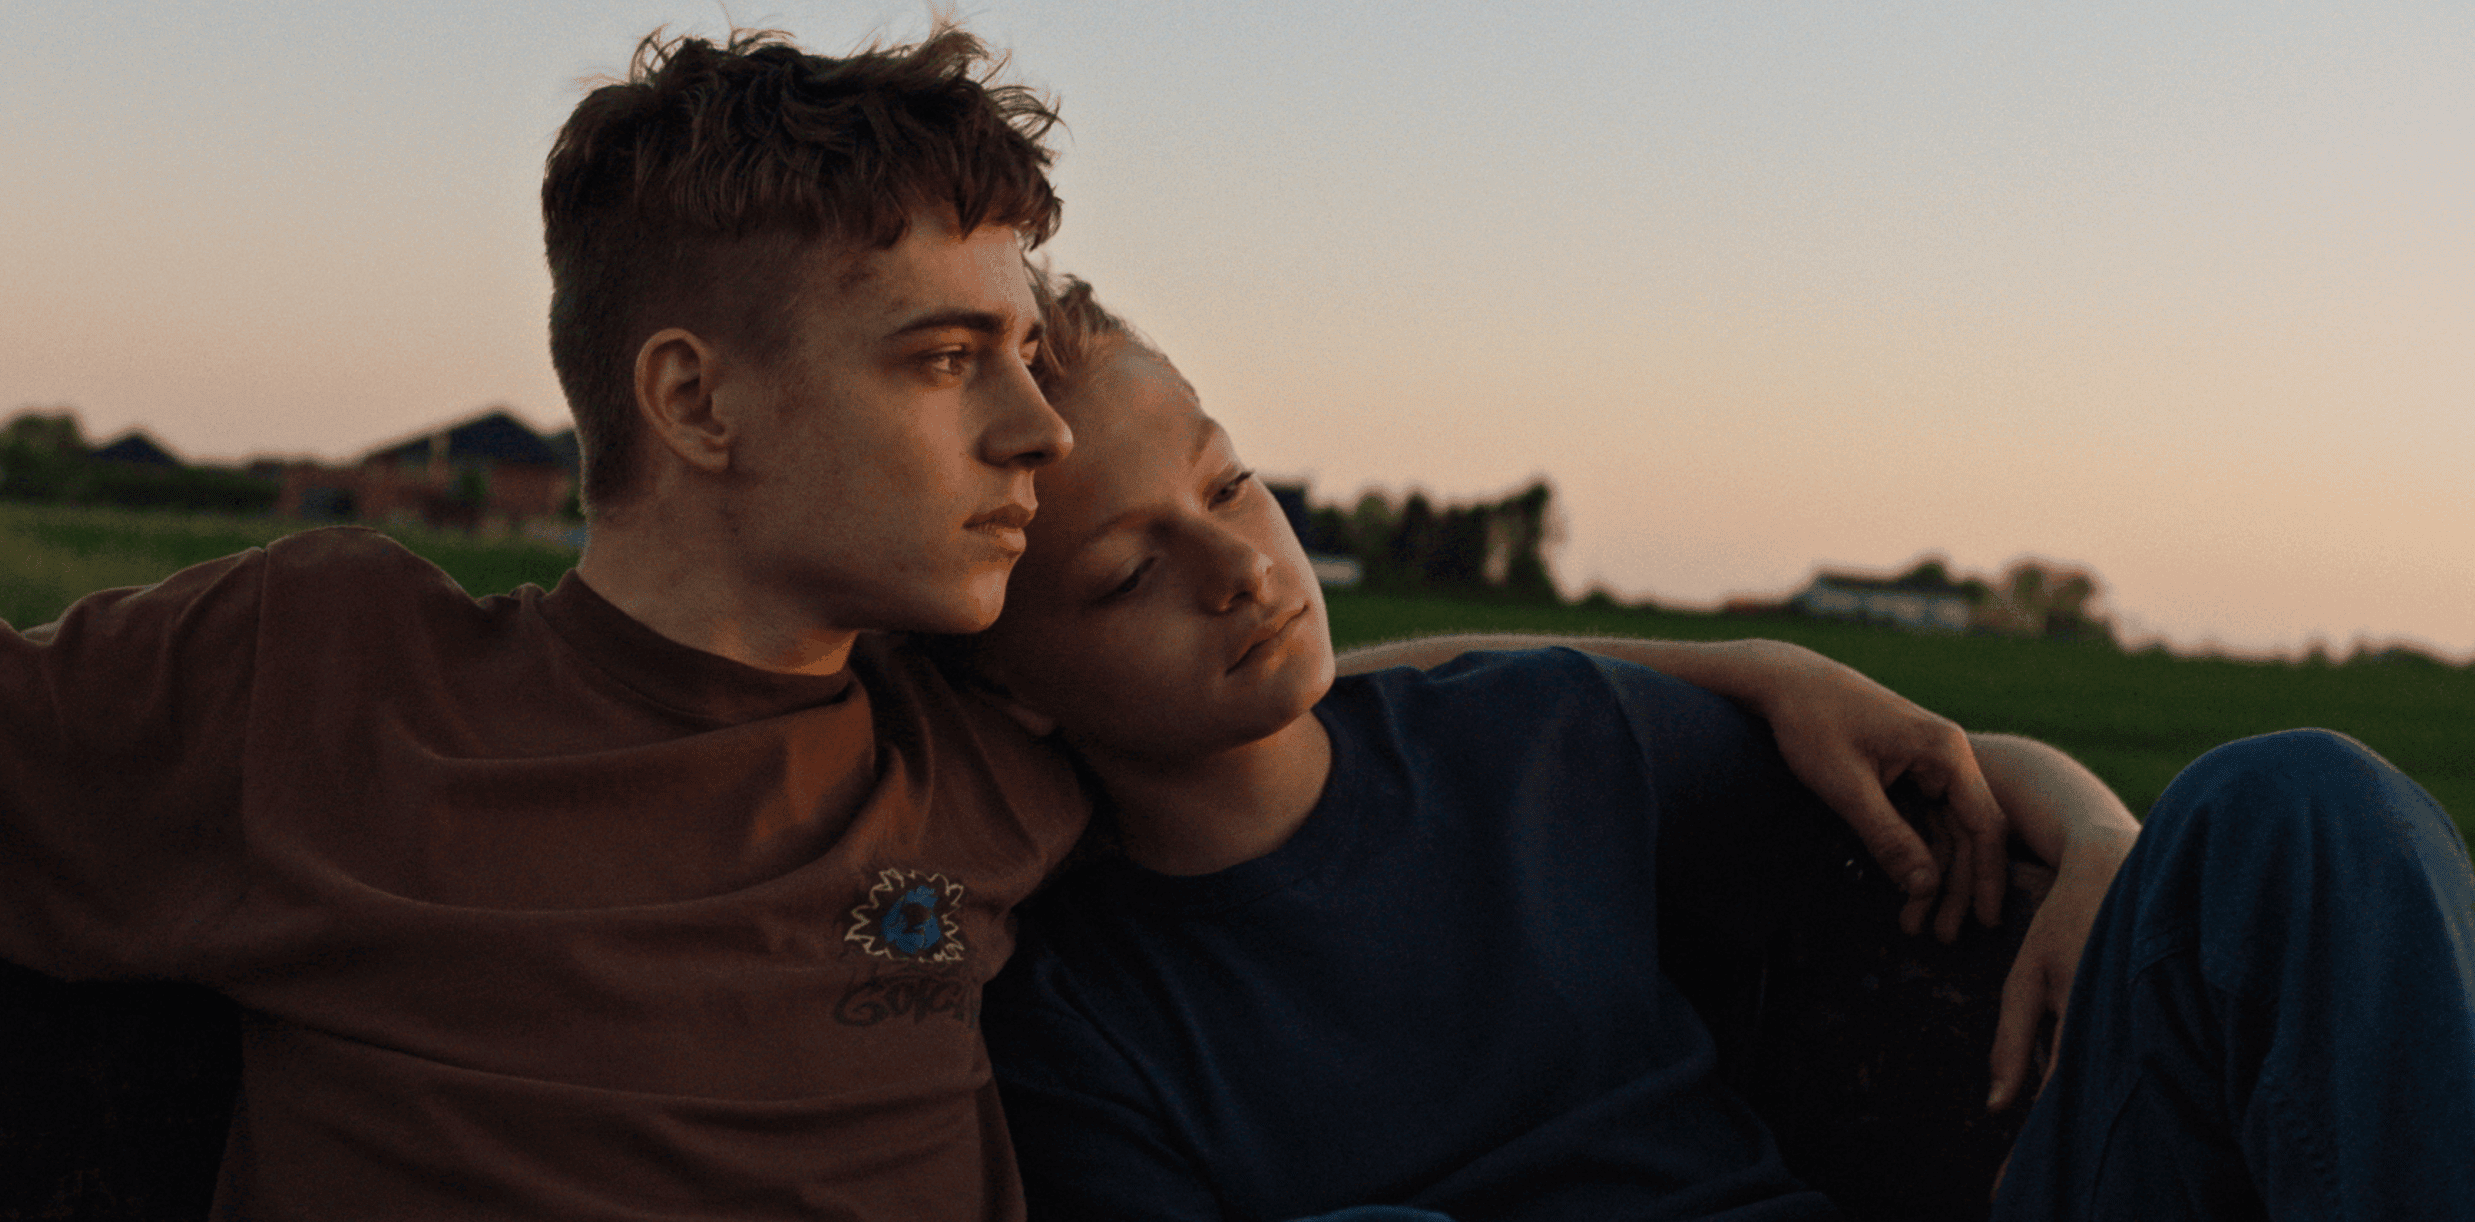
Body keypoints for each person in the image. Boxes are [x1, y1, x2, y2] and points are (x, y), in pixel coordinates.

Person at [0, 22, 2005, 1219]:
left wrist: (1753, 668)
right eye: (940, 359)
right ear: (693, 398)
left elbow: (1271, 679)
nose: (1028, 424)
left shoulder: (971, 758)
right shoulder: (317, 678)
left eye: (1023, 345)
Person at [972, 280, 2475, 1221]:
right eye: (1124, 575)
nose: (1237, 569)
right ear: (1013, 681)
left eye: (1232, 485)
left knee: (2300, 803)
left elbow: (1936, 772)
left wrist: (2095, 838)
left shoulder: (1538, 737)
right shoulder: (1076, 1019)